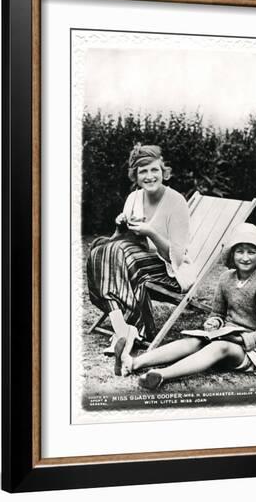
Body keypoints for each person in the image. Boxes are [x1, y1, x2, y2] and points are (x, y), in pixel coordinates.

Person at [117, 222, 256, 389]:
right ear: (232, 254)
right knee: (194, 341)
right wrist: (214, 323)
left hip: (253, 351)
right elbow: (217, 313)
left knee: (220, 346)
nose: (245, 258)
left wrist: (238, 339)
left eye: (251, 252)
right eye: (240, 251)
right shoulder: (226, 279)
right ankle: (133, 362)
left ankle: (161, 375)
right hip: (225, 337)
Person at [87, 144, 196, 370]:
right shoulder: (133, 198)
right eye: (142, 171)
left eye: (154, 170)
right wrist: (119, 229)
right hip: (136, 261)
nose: (149, 176)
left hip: (171, 270)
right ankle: (123, 328)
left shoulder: (176, 203)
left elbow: (175, 255)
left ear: (163, 171)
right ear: (135, 176)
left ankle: (127, 329)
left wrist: (151, 232)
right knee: (99, 247)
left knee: (119, 252)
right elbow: (120, 241)